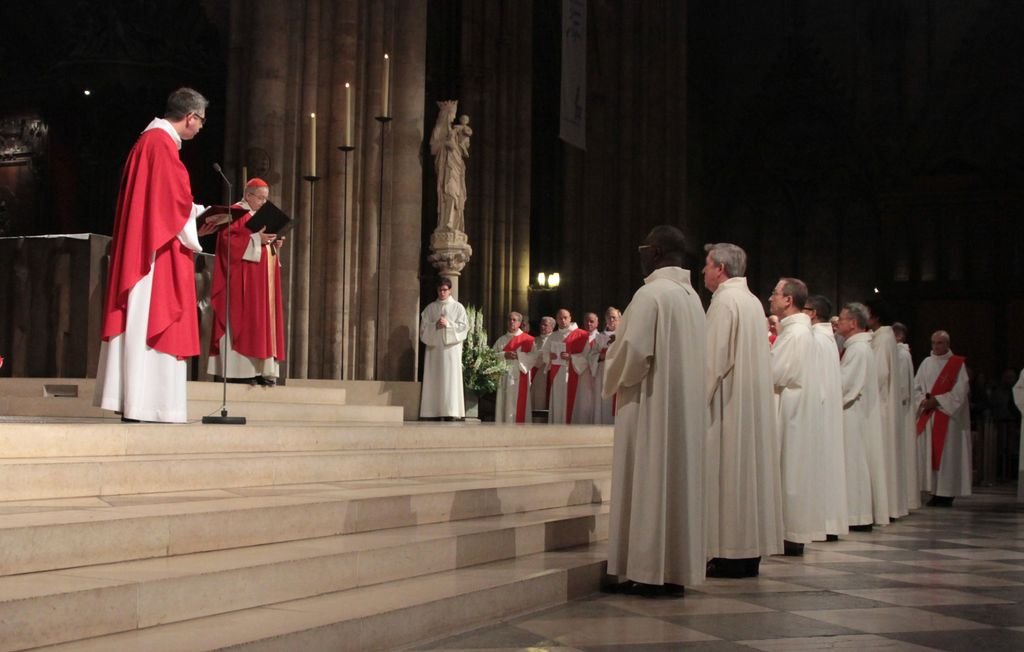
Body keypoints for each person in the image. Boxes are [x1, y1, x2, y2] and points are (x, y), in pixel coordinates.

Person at [94, 87, 216, 423]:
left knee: (142, 319)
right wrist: (202, 217)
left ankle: (138, 401)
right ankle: (147, 404)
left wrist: (195, 217)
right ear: (190, 117)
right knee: (154, 319)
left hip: (148, 242)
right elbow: (171, 206)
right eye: (201, 120)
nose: (202, 127)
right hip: (155, 253)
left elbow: (162, 201)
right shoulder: (160, 145)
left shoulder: (150, 142)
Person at [603, 225, 706, 597]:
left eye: (643, 248)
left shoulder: (651, 295)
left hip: (650, 407)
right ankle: (672, 568)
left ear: (658, 252)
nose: (640, 254)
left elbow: (632, 354)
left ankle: (646, 571)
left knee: (648, 480)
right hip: (680, 410)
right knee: (673, 484)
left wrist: (610, 365)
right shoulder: (692, 298)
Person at [702, 243, 782, 578]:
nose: (703, 271)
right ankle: (747, 551)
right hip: (749, 406)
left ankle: (729, 552)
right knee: (746, 478)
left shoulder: (725, 301)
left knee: (728, 475)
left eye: (706, 265)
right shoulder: (750, 302)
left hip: (728, 406)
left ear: (720, 268)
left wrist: (695, 403)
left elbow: (712, 361)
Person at [207, 178, 286, 387]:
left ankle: (261, 371)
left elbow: (263, 247)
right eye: (260, 198)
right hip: (240, 283)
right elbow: (226, 243)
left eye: (265, 198)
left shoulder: (260, 217)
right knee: (244, 322)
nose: (263, 202)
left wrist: (273, 244)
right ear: (248, 195)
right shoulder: (235, 213)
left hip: (261, 285)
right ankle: (238, 372)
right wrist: (254, 240)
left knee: (262, 323)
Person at [769, 277, 825, 554]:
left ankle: (789, 533)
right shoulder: (799, 331)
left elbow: (775, 372)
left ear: (788, 300)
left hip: (790, 413)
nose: (771, 298)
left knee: (789, 471)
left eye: (775, 294)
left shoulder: (796, 334)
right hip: (796, 410)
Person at [836, 303, 889, 528]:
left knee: (855, 462)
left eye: (843, 318)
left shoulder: (858, 350)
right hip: (853, 415)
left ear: (854, 323)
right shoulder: (858, 347)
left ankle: (858, 516)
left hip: (853, 416)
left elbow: (845, 385)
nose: (838, 321)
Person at [805, 295, 849, 540]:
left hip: (818, 416)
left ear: (811, 313)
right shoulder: (826, 338)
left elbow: (816, 384)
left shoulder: (816, 339)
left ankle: (822, 522)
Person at [914, 330, 971, 506]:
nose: (936, 346)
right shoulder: (926, 363)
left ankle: (946, 494)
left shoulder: (957, 364)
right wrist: (923, 400)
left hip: (948, 418)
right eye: (933, 343)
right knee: (930, 454)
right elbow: (916, 387)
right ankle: (933, 491)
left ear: (947, 344)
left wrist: (937, 401)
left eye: (939, 343)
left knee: (947, 455)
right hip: (929, 415)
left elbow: (961, 390)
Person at [867, 301, 909, 518]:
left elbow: (879, 374)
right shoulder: (886, 335)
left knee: (881, 452)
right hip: (884, 403)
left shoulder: (882, 338)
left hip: (880, 405)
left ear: (873, 316)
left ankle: (883, 507)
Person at [419, 278, 469, 420]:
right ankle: (432, 411)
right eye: (440, 290)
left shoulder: (458, 307)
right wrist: (434, 325)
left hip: (450, 351)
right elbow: (423, 330)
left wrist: (448, 325)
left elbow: (464, 328)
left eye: (445, 290)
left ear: (450, 290)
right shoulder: (430, 308)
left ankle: (451, 411)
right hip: (434, 351)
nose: (442, 292)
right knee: (434, 378)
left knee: (450, 379)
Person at [541, 308, 590, 424]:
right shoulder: (553, 336)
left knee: (571, 402)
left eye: (565, 318)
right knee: (558, 401)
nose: (563, 320)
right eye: (560, 318)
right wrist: (549, 357)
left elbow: (587, 356)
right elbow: (544, 354)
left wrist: (571, 358)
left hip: (573, 373)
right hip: (557, 375)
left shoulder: (581, 335)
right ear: (557, 320)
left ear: (570, 318)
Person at [430, 101, 472, 232]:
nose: (454, 118)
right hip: (446, 167)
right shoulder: (440, 130)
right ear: (446, 115)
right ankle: (446, 222)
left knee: (457, 195)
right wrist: (446, 144)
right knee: (449, 193)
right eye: (452, 114)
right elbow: (433, 149)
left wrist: (459, 144)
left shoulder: (456, 131)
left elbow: (465, 150)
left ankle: (453, 223)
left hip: (456, 167)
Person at [892, 322, 921, 509]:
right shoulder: (900, 354)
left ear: (900, 337)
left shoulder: (901, 355)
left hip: (900, 411)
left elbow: (901, 388)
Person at [492, 311, 534, 423]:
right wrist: (504, 355)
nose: (511, 322)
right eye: (509, 319)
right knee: (504, 403)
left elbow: (534, 357)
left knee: (518, 404)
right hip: (504, 377)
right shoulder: (501, 340)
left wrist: (519, 356)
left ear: (520, 323)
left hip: (520, 376)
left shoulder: (528, 340)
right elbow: (491, 356)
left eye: (514, 320)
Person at [570, 312, 601, 424]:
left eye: (592, 321)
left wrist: (592, 359)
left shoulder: (601, 337)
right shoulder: (577, 338)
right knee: (583, 399)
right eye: (587, 321)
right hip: (583, 372)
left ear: (597, 323)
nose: (589, 323)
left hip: (597, 372)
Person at [593, 307, 620, 424]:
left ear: (620, 319)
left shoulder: (624, 335)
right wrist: (600, 356)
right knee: (603, 400)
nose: (611, 320)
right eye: (609, 317)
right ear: (605, 319)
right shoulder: (599, 337)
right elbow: (591, 355)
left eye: (614, 317)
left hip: (618, 371)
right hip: (602, 372)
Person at [530, 316, 556, 414]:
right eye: (541, 324)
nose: (542, 327)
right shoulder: (534, 340)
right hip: (537, 373)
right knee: (538, 398)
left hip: (551, 372)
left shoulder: (556, 339)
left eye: (545, 325)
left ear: (552, 327)